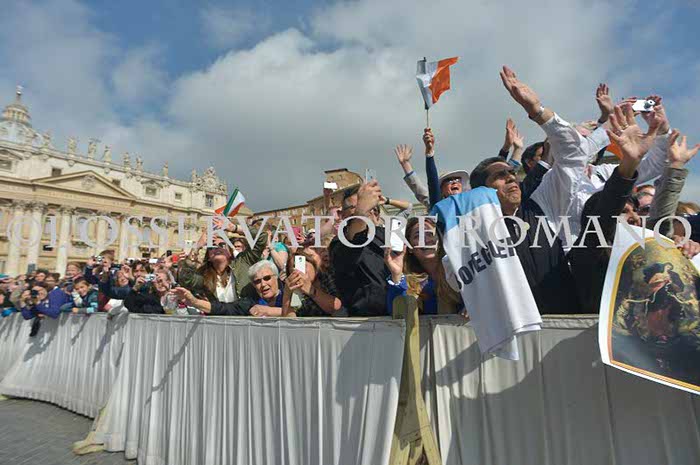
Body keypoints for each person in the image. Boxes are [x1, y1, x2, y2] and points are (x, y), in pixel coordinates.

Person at [330, 182, 390, 316]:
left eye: (371, 207)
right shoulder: (338, 243)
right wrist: (361, 212)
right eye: (355, 207)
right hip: (357, 321)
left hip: (395, 317)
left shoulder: (388, 237)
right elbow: (351, 249)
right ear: (343, 215)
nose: (366, 210)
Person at [384, 217, 463, 315]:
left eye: (430, 234)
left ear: (439, 241)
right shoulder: (406, 283)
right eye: (418, 236)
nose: (425, 240)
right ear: (410, 248)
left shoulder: (457, 268)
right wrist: (396, 275)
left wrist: (469, 307)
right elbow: (400, 315)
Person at [179, 219, 266, 300]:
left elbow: (262, 237)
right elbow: (186, 280)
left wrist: (234, 228)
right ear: (209, 256)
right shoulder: (204, 275)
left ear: (230, 251)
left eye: (222, 245)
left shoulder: (243, 261)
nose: (217, 248)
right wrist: (197, 246)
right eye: (213, 246)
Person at [281, 236, 344, 317]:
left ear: (313, 265)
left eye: (303, 266)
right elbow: (289, 321)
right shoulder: (291, 288)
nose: (300, 272)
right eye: (294, 267)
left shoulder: (325, 277)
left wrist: (311, 290)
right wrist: (287, 295)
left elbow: (336, 306)